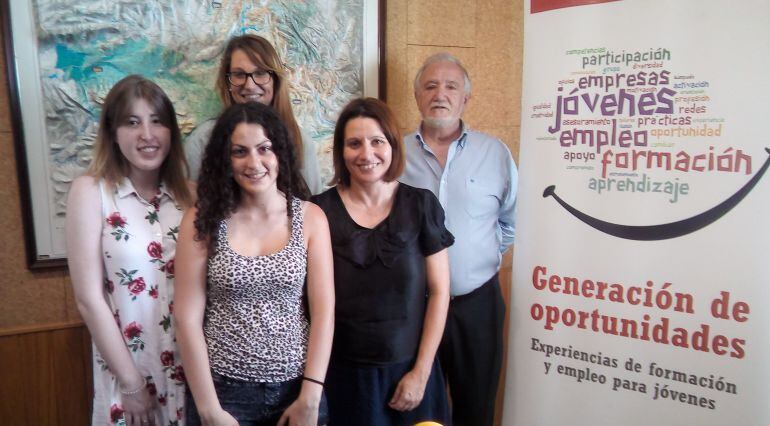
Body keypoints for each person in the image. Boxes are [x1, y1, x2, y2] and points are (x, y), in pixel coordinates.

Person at [174, 101, 334, 426]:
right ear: (225, 159)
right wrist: (209, 411)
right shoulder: (201, 220)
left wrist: (311, 395)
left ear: (281, 154)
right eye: (239, 152)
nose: (254, 162)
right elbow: (186, 319)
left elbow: (324, 312)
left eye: (265, 149)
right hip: (223, 393)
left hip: (297, 389)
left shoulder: (311, 218)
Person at [312, 98, 452, 425]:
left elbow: (440, 292)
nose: (366, 153)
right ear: (340, 151)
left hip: (413, 372)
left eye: (377, 141)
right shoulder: (318, 212)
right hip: (343, 379)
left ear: (392, 145)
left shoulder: (421, 205)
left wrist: (420, 372)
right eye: (354, 143)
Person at [67, 75, 193, 426]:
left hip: (193, 373)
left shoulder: (191, 197)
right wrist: (132, 384)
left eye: (157, 121)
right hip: (130, 373)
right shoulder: (91, 193)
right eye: (132, 122)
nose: (147, 135)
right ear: (112, 131)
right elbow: (89, 299)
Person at [399, 53, 519, 426]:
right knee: (416, 409)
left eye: (451, 86)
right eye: (431, 85)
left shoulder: (495, 153)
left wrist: (471, 263)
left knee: (476, 408)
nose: (441, 94)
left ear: (466, 97)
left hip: (476, 306)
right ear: (417, 95)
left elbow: (511, 223)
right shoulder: (393, 154)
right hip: (411, 307)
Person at [185, 34, 324, 194]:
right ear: (227, 82)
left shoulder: (300, 140)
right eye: (239, 74)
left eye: (260, 73)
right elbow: (192, 208)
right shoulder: (202, 140)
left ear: (276, 80)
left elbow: (313, 203)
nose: (250, 85)